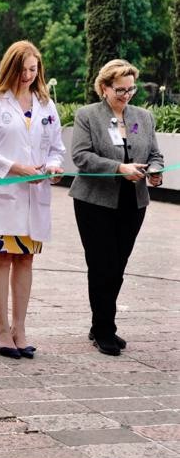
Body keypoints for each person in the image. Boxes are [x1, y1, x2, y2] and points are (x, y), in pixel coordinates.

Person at [0, 41, 65, 359]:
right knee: (2, 258)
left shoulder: (46, 105)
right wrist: (17, 168)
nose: (28, 75)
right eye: (23, 68)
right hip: (4, 194)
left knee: (25, 259)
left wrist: (53, 167)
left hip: (34, 196)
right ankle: (1, 329)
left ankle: (20, 327)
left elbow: (56, 147)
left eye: (33, 69)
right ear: (10, 67)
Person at [70, 59, 164, 356]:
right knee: (101, 264)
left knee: (118, 266)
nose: (126, 95)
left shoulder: (143, 117)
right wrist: (119, 167)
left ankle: (103, 322)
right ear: (104, 88)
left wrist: (156, 171)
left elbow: (156, 154)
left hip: (132, 201)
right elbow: (81, 157)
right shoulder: (87, 116)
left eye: (131, 89)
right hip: (95, 201)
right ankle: (103, 329)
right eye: (120, 90)